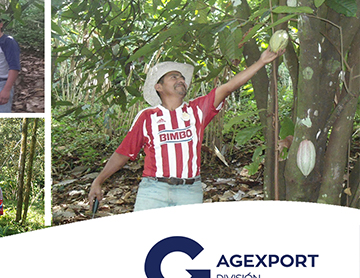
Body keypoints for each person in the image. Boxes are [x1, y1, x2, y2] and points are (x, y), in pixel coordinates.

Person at [88, 48, 283, 211]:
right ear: (159, 86)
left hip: (189, 191)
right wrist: (98, 180)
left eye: (182, 77)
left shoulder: (197, 110)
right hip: (153, 190)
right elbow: (123, 153)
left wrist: (261, 62)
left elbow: (228, 87)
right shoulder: (147, 117)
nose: (181, 80)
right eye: (174, 77)